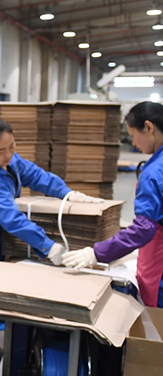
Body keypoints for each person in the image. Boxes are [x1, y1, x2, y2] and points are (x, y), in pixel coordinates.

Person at [0, 118, 103, 355]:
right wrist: (48, 246)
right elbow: (12, 219)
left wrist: (67, 193)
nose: (9, 155)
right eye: (1, 151)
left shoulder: (9, 162)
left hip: (2, 242)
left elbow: (37, 176)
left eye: (12, 146)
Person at [64, 101, 163, 307]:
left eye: (133, 135)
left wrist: (96, 253)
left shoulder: (154, 173)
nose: (133, 143)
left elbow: (144, 228)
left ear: (149, 127)